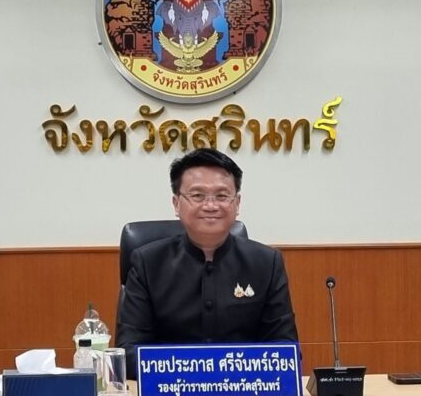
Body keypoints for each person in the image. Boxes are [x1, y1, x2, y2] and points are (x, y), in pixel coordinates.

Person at [115, 149, 299, 381]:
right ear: (176, 204)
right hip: (168, 394)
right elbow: (128, 352)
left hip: (244, 392)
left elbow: (285, 349)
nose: (210, 205)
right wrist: (198, 371)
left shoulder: (266, 263)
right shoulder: (148, 263)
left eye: (221, 196)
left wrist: (224, 374)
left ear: (237, 203)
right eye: (198, 195)